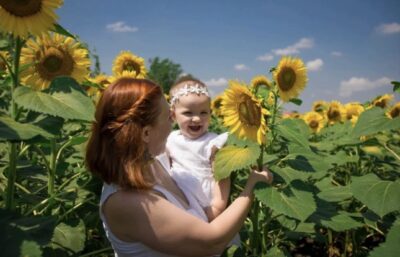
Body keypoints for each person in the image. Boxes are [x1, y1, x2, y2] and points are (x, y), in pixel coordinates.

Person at [86, 78, 273, 257]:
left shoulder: (152, 162)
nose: (173, 124)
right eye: (169, 117)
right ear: (146, 133)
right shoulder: (127, 202)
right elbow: (211, 242)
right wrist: (251, 188)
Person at [166, 77, 229, 221]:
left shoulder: (213, 142)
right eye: (188, 113)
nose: (196, 119)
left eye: (203, 112)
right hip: (177, 202)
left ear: (210, 113)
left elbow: (222, 177)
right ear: (173, 115)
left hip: (205, 205)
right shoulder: (170, 139)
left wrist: (217, 207)